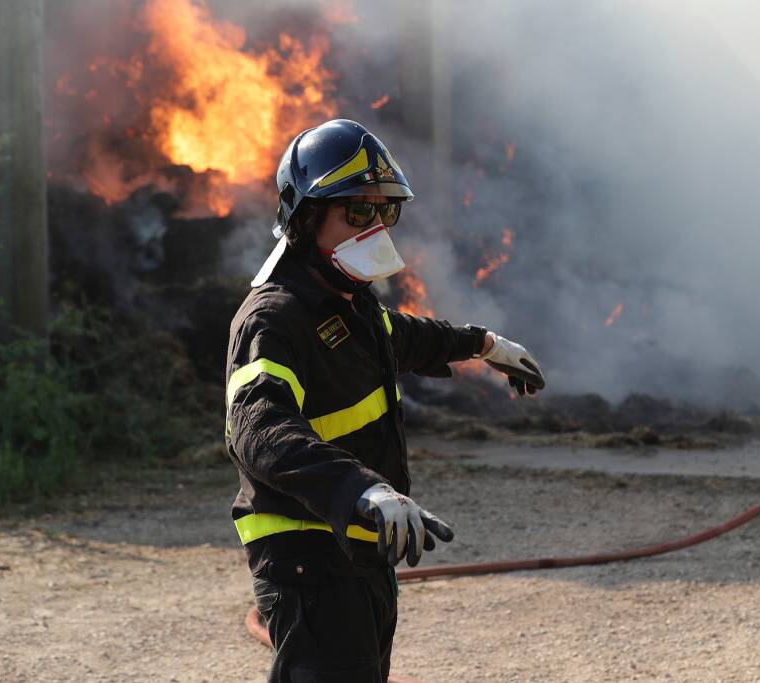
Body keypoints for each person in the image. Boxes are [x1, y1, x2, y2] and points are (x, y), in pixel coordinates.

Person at [225, 119, 545, 681]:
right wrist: (360, 488)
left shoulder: (347, 304)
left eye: (385, 210)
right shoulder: (275, 319)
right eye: (357, 211)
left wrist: (482, 344)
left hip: (359, 550)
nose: (374, 226)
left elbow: (404, 337)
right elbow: (261, 430)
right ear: (303, 216)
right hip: (307, 560)